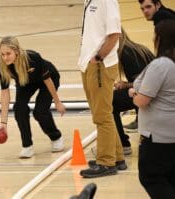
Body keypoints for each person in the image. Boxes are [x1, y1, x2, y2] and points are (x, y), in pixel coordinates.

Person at [78, 0, 127, 178]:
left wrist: (98, 57)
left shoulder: (107, 1)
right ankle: (117, 158)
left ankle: (106, 162)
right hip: (88, 64)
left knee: (102, 115)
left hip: (100, 65)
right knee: (102, 113)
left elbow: (114, 34)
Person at [0, 36, 66, 158]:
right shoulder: (1, 65)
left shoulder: (32, 58)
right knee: (19, 108)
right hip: (25, 82)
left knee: (40, 112)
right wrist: (3, 123)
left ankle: (56, 137)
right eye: (2, 54)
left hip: (48, 80)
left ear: (16, 51)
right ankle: (27, 146)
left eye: (8, 53)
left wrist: (57, 101)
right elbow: (5, 93)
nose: (5, 57)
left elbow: (48, 80)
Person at [129, 20, 175, 199]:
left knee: (151, 177)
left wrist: (133, 94)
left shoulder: (161, 65)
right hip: (170, 135)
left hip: (157, 136)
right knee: (170, 180)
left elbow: (142, 100)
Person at [113, 27, 155, 155]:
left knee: (109, 102)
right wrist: (126, 84)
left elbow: (143, 84)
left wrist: (126, 86)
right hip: (153, 92)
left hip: (151, 95)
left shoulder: (127, 53)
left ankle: (122, 144)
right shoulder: (134, 48)